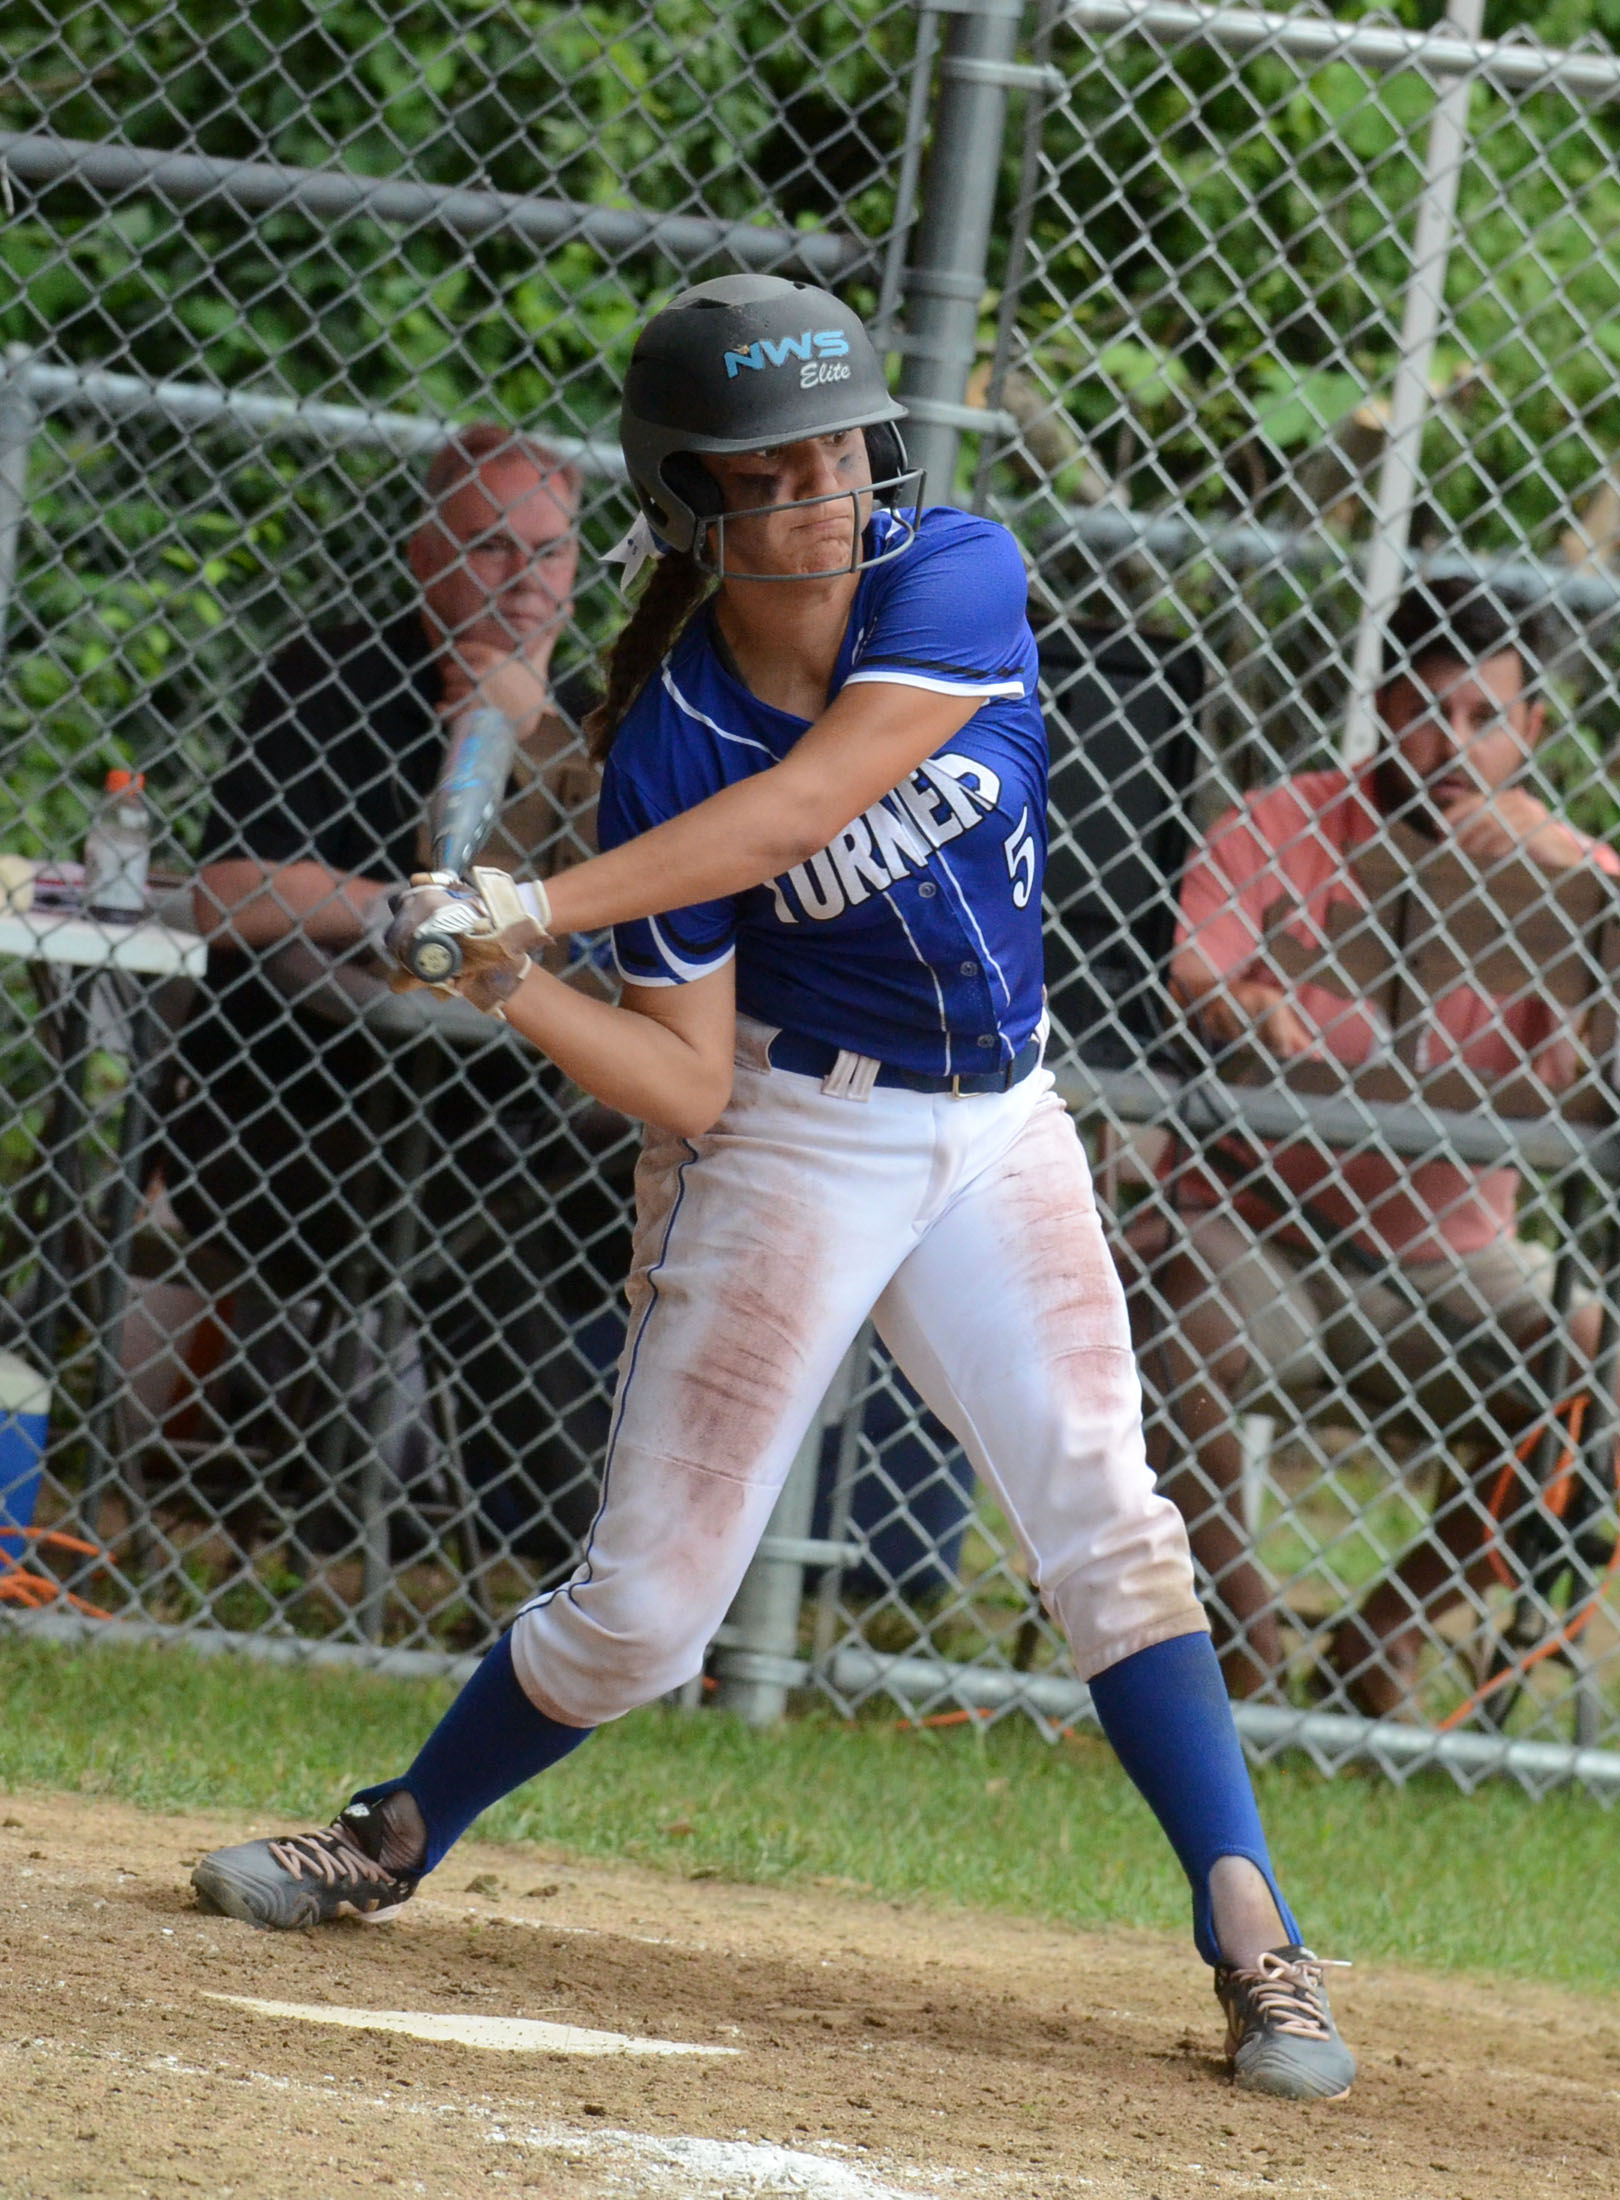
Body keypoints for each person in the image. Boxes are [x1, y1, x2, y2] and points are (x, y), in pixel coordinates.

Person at [190, 274, 1355, 2102]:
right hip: (800, 1137)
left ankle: (1255, 1938)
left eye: (836, 448)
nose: (821, 485)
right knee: (649, 1613)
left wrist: (535, 900)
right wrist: (514, 978)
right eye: (767, 466)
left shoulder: (951, 572)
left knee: (1107, 1517)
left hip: (997, 1121)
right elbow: (683, 1080)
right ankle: (398, 1825)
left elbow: (817, 801)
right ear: (691, 503)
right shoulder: (668, 737)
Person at [1141, 578, 1618, 1712]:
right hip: (1257, 1226)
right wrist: (1245, 1009)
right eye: (1425, 712)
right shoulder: (1279, 822)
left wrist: (1548, 868)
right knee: (1180, 1307)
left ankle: (1384, 1628)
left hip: (1451, 1257)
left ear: (1533, 731)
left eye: (1483, 718)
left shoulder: (1578, 879)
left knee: (1602, 1366)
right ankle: (1240, 1635)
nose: (1452, 745)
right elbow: (1194, 973)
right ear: (1380, 706)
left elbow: (1596, 1077)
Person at [161, 425, 616, 1573]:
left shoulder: (603, 724)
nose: (523, 584)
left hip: (521, 1127)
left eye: (550, 555)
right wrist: (389, 916)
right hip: (291, 1117)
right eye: (489, 549)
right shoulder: (332, 676)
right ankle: (610, 1579)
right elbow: (222, 895)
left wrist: (527, 734)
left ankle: (626, 1578)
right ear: (424, 555)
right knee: (470, 1230)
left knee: (557, 1197)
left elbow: (628, 938)